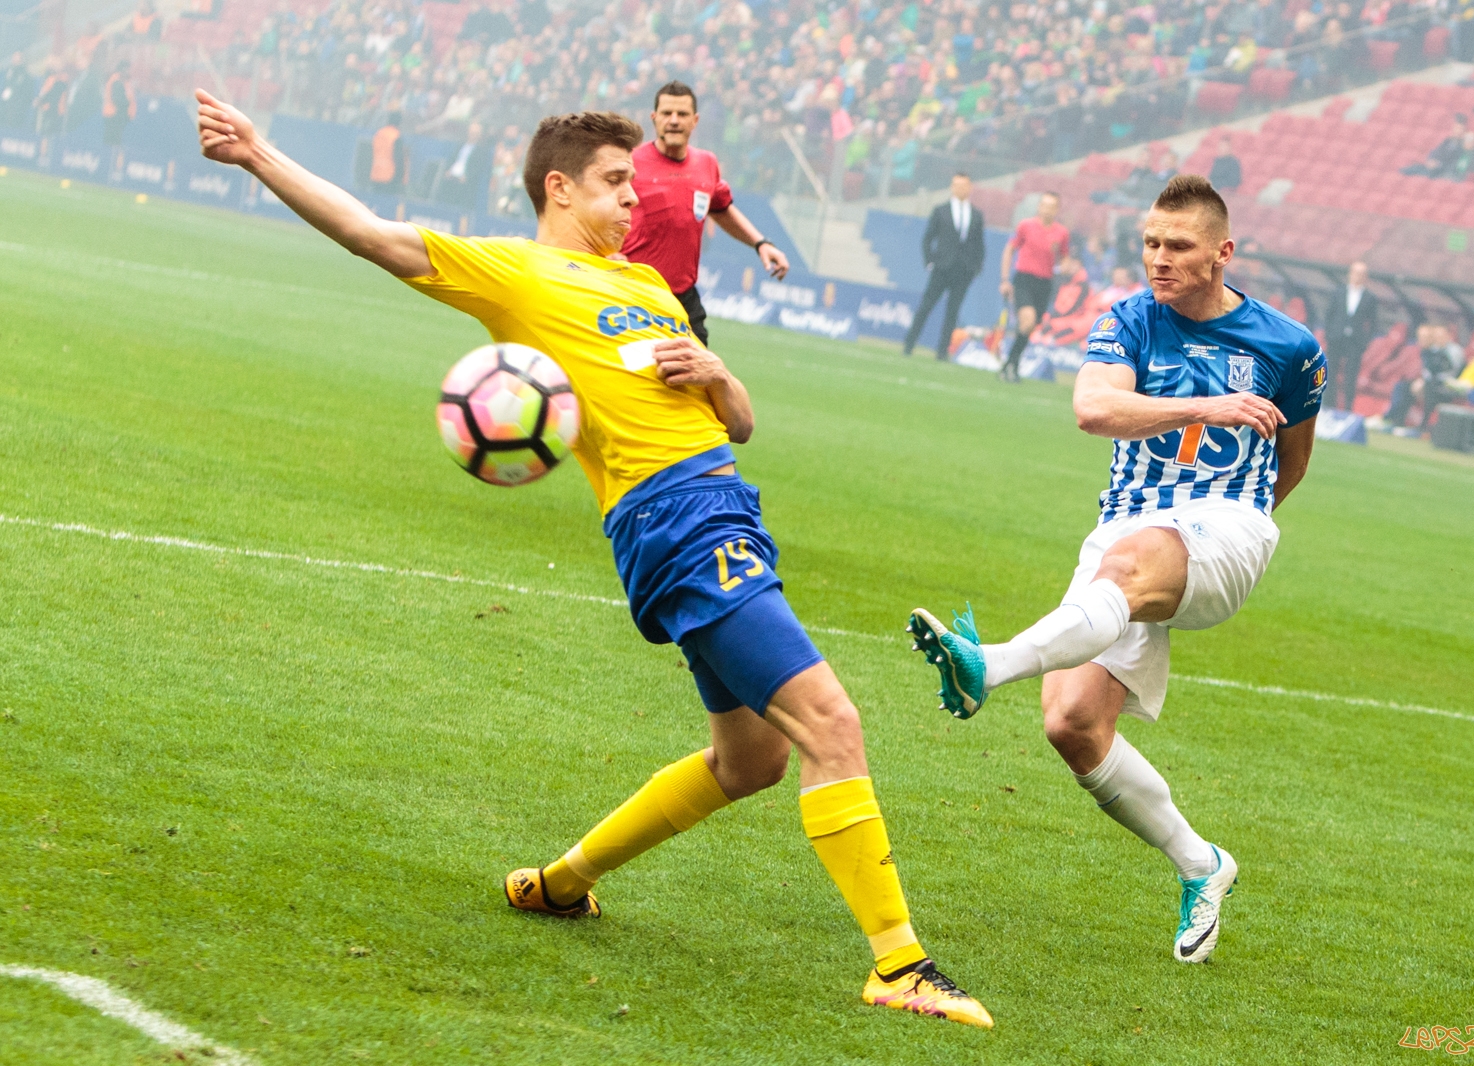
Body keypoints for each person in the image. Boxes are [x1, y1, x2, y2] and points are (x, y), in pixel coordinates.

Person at [193, 88, 990, 1029]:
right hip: (677, 523)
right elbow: (372, 234)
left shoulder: (651, 288)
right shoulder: (517, 276)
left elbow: (738, 423)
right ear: (559, 190)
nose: (634, 200)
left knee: (752, 762)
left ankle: (562, 883)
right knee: (832, 722)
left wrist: (720, 374)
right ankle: (898, 965)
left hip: (729, 507)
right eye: (617, 183)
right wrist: (260, 154)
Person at [906, 174, 1324, 965]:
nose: (1159, 259)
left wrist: (1233, 520)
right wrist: (1206, 408)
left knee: (1133, 563)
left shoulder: (1289, 347)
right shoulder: (1129, 321)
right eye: (1151, 244)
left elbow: (1289, 463)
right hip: (1126, 528)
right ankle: (1203, 864)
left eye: (1179, 247)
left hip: (1227, 527)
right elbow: (1094, 410)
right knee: (1072, 723)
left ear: (1223, 253)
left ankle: (984, 666)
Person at [622, 80, 788, 347]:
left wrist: (760, 243)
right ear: (654, 118)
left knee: (701, 377)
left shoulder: (707, 163)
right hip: (633, 293)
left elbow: (721, 209)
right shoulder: (629, 163)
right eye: (667, 113)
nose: (674, 121)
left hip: (683, 298)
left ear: (695, 120)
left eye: (682, 114)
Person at [903, 173, 986, 359]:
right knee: (926, 306)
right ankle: (909, 343)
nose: (960, 189)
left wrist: (976, 267)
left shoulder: (976, 215)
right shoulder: (941, 211)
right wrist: (930, 261)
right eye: (957, 185)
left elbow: (979, 243)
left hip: (963, 270)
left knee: (953, 312)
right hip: (942, 267)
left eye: (964, 185)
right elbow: (928, 238)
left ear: (970, 187)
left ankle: (942, 351)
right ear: (952, 187)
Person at [999, 190, 1072, 381]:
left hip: (1044, 283)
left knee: (1029, 327)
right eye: (1044, 206)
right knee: (1028, 320)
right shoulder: (1026, 226)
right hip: (1024, 279)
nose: (1047, 210)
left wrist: (1064, 266)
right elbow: (1010, 249)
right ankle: (1011, 365)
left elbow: (1065, 257)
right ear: (1039, 207)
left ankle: (1009, 365)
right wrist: (1005, 279)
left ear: (1056, 210)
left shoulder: (1061, 233)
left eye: (1052, 207)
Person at [1372, 324, 1465, 431]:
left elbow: (1448, 370)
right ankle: (1395, 420)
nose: (1438, 338)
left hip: (1447, 386)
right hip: (1428, 382)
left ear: (1448, 336)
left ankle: (1423, 426)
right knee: (1403, 386)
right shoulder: (1433, 349)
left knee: (1429, 388)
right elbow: (1427, 369)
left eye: (1441, 335)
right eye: (1436, 335)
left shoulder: (1455, 350)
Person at [1324, 261, 1378, 411]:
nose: (1357, 277)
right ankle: (1329, 406)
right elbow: (1329, 314)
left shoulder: (1370, 297)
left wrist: (1365, 341)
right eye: (1355, 273)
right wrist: (1329, 333)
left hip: (1355, 342)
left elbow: (1373, 323)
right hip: (1336, 338)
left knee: (1350, 376)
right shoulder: (1338, 292)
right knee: (1331, 372)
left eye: (1361, 274)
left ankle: (1347, 409)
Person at [435, 120, 492, 208]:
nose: (472, 135)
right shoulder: (460, 145)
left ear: (479, 135)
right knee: (443, 183)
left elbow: (477, 167)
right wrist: (448, 170)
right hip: (452, 173)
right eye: (471, 132)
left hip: (465, 178)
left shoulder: (481, 151)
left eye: (475, 133)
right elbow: (452, 159)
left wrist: (467, 176)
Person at [1401, 115, 1465, 177]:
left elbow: (1454, 163)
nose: (1456, 131)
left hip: (1441, 170)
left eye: (1459, 129)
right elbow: (1436, 151)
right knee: (1411, 169)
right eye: (1455, 128)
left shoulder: (1462, 145)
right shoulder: (1448, 141)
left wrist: (1438, 164)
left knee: (1423, 174)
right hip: (1432, 165)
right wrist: (1431, 160)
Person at [367, 111, 407, 193]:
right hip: (390, 178)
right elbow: (398, 159)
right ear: (399, 123)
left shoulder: (378, 134)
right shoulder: (396, 137)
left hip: (375, 174)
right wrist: (400, 177)